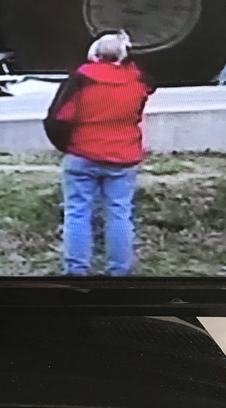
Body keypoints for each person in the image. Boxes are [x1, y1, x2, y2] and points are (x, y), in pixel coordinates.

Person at [43, 31, 155, 277]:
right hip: (124, 155)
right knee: (119, 213)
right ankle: (119, 272)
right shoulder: (138, 81)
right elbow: (138, 106)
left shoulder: (81, 80)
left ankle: (77, 270)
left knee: (77, 212)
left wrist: (66, 146)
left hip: (83, 153)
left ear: (93, 52)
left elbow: (58, 119)